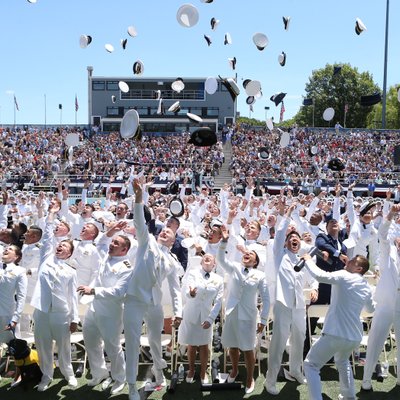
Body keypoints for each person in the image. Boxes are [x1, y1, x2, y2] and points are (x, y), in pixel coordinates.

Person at [123, 179, 182, 400]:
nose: (165, 232)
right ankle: (131, 386)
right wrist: (139, 198)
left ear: (173, 240)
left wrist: (178, 312)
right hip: (134, 299)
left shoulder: (173, 261)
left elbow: (175, 289)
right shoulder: (147, 242)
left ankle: (159, 373)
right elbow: (139, 222)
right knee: (132, 341)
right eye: (163, 230)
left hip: (155, 304)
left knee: (156, 341)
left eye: (170, 233)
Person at [302, 253, 375, 400]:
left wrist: (308, 260)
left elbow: (320, 276)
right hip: (354, 337)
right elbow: (371, 309)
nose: (349, 260)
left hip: (335, 333)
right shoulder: (366, 286)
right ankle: (349, 396)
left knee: (311, 365)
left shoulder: (344, 275)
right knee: (342, 361)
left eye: (353, 261)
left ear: (359, 268)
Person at [265, 203, 318, 396]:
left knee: (300, 338)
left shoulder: (304, 259)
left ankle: (295, 369)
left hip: (299, 305)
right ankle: (270, 380)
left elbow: (313, 278)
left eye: (296, 238)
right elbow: (279, 234)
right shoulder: (280, 255)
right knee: (279, 342)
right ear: (286, 243)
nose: (293, 240)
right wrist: (287, 214)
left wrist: (314, 288)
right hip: (282, 304)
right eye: (290, 239)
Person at [77, 221, 133, 395]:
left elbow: (118, 292)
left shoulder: (126, 267)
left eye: (116, 243)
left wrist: (92, 290)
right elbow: (101, 242)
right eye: (113, 241)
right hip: (94, 308)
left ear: (124, 250)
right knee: (91, 342)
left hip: (111, 313)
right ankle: (99, 373)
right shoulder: (105, 255)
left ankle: (119, 378)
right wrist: (112, 231)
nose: (112, 245)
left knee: (112, 347)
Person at [30, 203, 79, 392]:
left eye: (65, 246)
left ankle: (69, 374)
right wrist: (51, 214)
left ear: (69, 254)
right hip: (42, 312)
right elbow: (49, 235)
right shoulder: (46, 260)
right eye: (60, 244)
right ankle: (46, 375)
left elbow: (72, 297)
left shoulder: (70, 271)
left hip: (61, 314)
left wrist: (74, 318)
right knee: (43, 346)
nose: (60, 247)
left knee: (64, 347)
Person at [217, 224, 270, 394]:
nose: (247, 254)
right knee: (232, 346)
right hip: (232, 314)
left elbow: (267, 299)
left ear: (255, 262)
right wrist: (224, 242)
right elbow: (221, 260)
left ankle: (249, 377)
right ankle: (234, 369)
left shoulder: (260, 276)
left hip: (248, 316)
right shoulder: (235, 268)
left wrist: (263, 320)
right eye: (246, 253)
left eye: (251, 254)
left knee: (247, 348)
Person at [361, 204, 400, 390]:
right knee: (375, 341)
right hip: (385, 303)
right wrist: (391, 213)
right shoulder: (388, 249)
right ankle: (366, 380)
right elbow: (383, 233)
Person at [178, 253, 223, 383]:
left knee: (204, 345)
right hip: (191, 313)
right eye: (204, 257)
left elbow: (218, 301)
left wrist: (211, 319)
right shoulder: (193, 273)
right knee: (191, 344)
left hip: (206, 316)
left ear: (214, 264)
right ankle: (191, 370)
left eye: (210, 257)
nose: (207, 257)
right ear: (201, 262)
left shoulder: (219, 279)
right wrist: (191, 293)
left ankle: (203, 372)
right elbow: (188, 289)